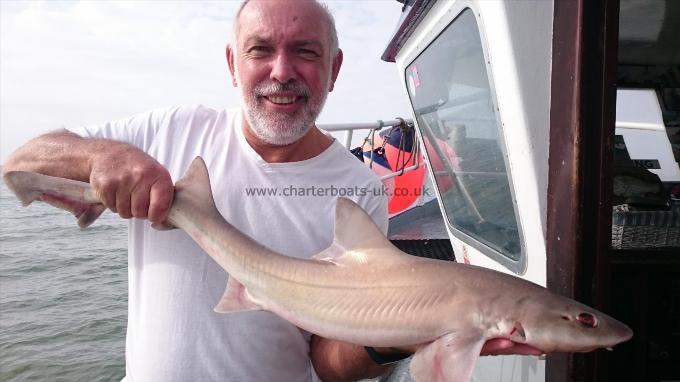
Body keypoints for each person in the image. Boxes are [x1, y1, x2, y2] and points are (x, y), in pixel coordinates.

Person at [3, 1, 541, 381]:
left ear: (334, 69)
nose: (282, 72)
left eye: (305, 52)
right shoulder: (168, 132)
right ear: (233, 64)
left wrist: (394, 336)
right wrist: (104, 157)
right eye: (261, 50)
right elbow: (21, 163)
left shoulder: (357, 187)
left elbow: (326, 362)